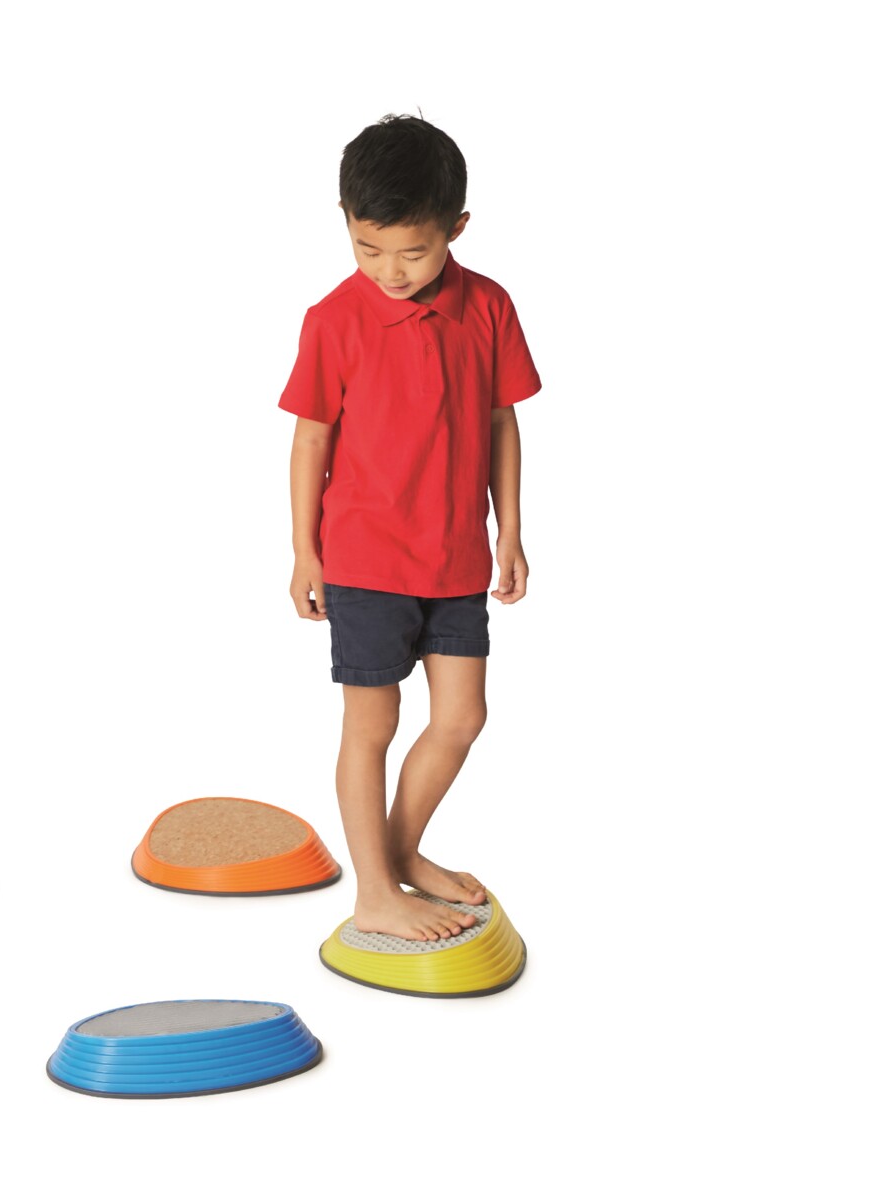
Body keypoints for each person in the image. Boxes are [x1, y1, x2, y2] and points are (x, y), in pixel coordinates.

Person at [277, 113, 542, 941]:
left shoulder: (488, 306)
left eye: (413, 252)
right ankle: (376, 892)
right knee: (373, 725)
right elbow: (311, 438)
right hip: (364, 557)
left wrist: (510, 532)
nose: (390, 270)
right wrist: (304, 551)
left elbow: (501, 421)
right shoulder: (333, 319)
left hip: (456, 555)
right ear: (346, 224)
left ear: (456, 228)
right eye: (368, 249)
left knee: (462, 718)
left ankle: (398, 854)